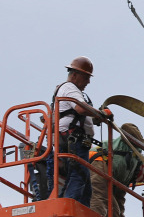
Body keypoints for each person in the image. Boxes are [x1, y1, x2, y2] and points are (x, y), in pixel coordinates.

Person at [44, 56, 97, 206]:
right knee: (79, 174)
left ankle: (80, 210)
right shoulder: (70, 88)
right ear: (74, 75)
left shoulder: (70, 90)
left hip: (72, 139)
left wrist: (95, 116)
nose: (88, 81)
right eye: (86, 77)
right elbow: (80, 108)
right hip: (73, 139)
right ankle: (68, 207)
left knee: (84, 181)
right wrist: (101, 114)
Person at [89, 123, 144, 217]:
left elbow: (120, 200)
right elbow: (127, 127)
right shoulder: (133, 147)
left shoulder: (126, 178)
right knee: (99, 196)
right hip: (99, 161)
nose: (140, 179)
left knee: (115, 210)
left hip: (107, 171)